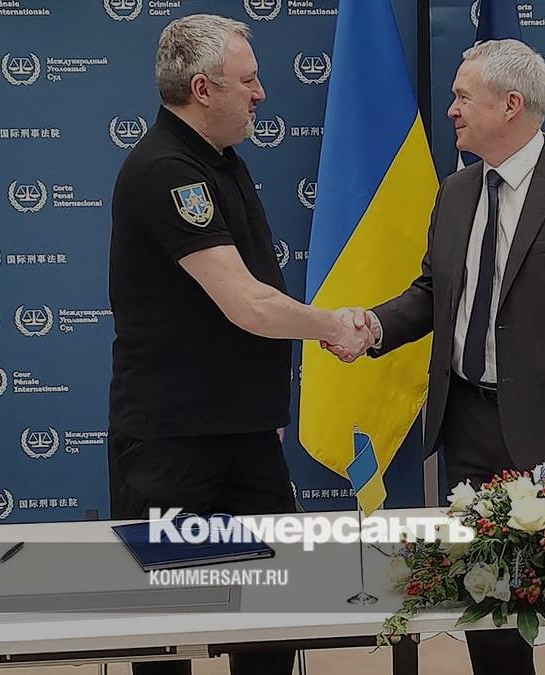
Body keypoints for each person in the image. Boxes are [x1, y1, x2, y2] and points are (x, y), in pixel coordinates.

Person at [333, 39, 545, 675]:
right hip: (467, 423)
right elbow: (433, 294)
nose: (451, 110)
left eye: (462, 97)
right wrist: (373, 327)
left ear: (511, 104)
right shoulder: (455, 192)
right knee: (489, 597)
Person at [108, 14, 372, 675]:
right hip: (174, 446)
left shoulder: (220, 161)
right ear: (203, 89)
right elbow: (247, 304)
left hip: (243, 435)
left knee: (272, 614)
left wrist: (262, 406)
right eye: (248, 81)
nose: (261, 94)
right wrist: (335, 326)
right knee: (167, 629)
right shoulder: (167, 170)